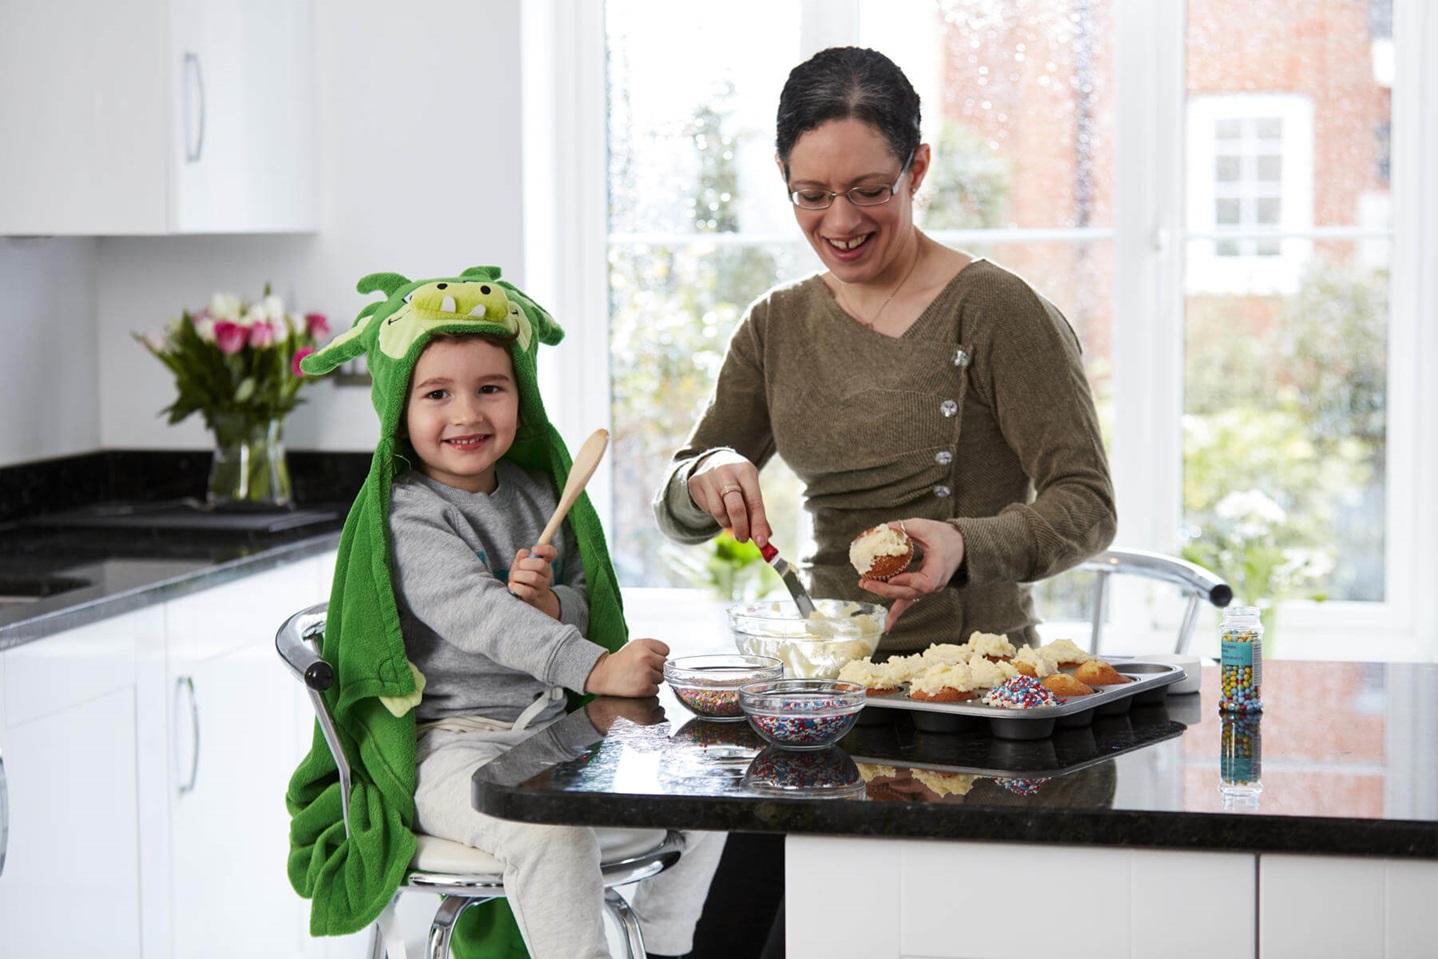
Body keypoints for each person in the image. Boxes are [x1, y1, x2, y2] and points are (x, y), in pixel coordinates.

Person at [287, 266, 722, 959]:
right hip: (452, 744)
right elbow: (481, 616)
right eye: (437, 394)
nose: (466, 413)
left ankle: (668, 947)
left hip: (554, 727)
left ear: (521, 396)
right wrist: (597, 666)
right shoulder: (408, 514)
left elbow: (580, 598)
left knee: (708, 789)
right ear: (399, 404)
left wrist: (554, 603)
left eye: (491, 388)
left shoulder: (535, 492)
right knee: (547, 832)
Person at [654, 46, 1116, 656]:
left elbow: (1088, 504)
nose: (840, 223)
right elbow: (679, 516)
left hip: (977, 682)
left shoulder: (997, 310)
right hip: (833, 687)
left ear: (917, 170)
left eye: (869, 190)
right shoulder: (775, 325)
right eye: (811, 194)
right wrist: (702, 474)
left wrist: (963, 544)